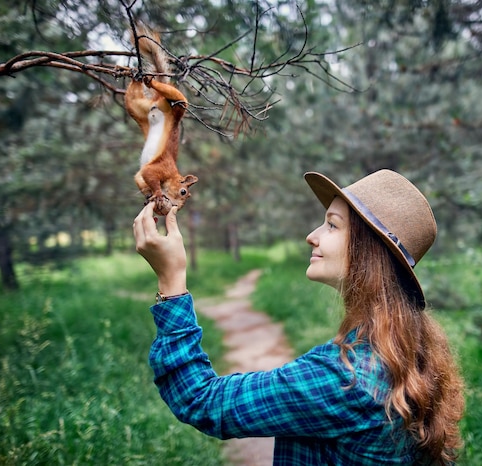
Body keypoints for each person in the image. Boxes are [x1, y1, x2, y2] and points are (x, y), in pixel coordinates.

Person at [133, 169, 465, 465]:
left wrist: (171, 282)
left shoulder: (345, 379)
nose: (313, 235)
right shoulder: (410, 349)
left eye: (332, 225)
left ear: (367, 251)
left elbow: (201, 399)